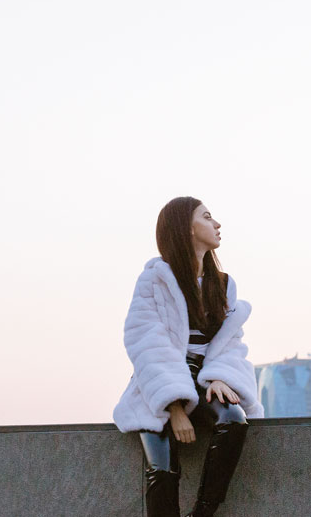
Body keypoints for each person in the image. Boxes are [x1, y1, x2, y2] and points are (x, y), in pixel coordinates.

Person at [113, 196, 263, 517]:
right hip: (159, 383)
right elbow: (146, 343)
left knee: (234, 419)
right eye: (207, 217)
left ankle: (203, 513)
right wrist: (174, 406)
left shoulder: (223, 284)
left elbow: (231, 341)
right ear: (187, 228)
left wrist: (221, 376)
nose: (217, 224)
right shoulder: (154, 280)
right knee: (163, 469)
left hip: (205, 377)